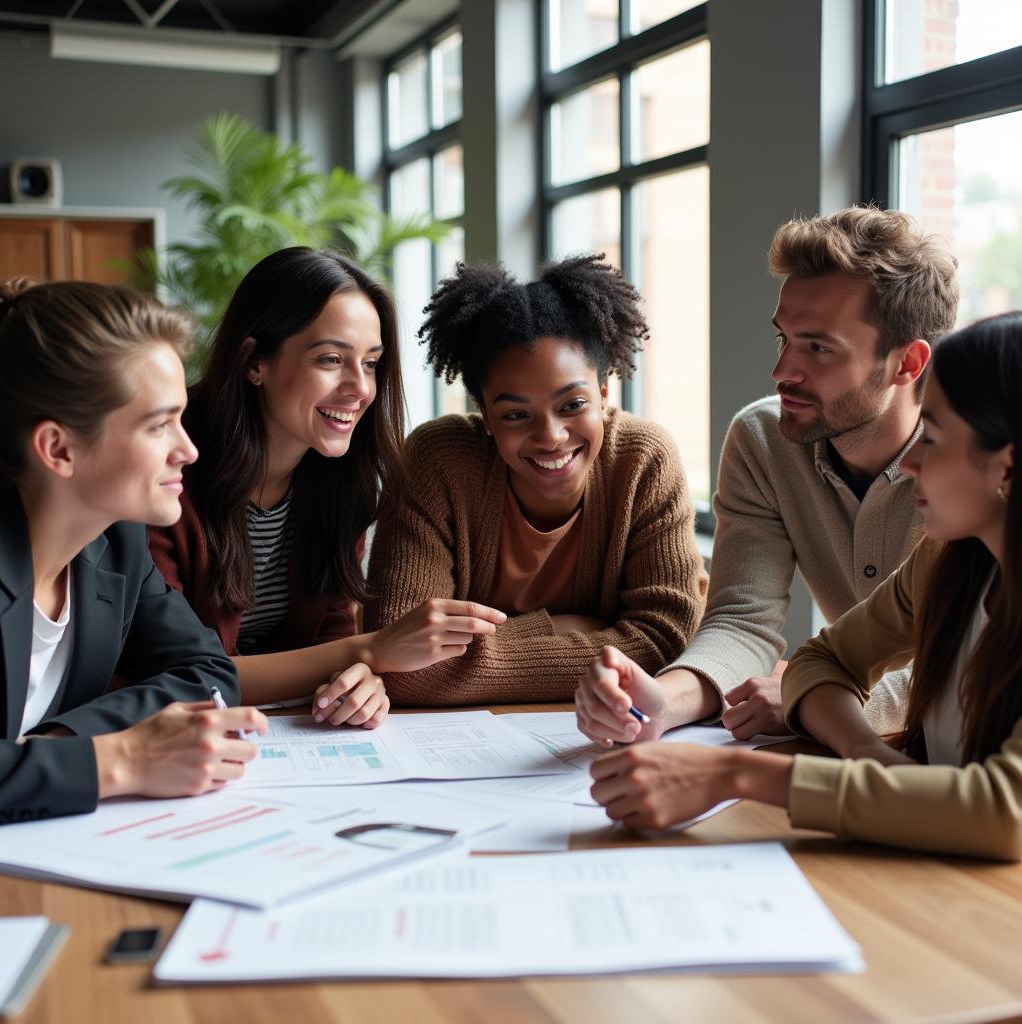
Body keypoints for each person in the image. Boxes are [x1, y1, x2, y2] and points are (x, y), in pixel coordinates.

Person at [589, 311, 1021, 861]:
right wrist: (869, 755)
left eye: (931, 437)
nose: (911, 462)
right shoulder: (947, 561)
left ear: (1005, 467)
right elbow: (823, 659)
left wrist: (738, 773)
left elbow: (1005, 812)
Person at [575, 207, 959, 747]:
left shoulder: (981, 463)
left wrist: (814, 695)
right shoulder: (764, 439)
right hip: (856, 747)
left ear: (907, 363)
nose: (782, 372)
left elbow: (984, 658)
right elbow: (742, 621)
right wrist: (662, 702)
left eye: (818, 348)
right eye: (784, 339)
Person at [149, 247, 505, 727]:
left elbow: (327, 645)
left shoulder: (339, 482)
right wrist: (368, 650)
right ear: (255, 362)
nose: (359, 388)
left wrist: (358, 681)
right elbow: (170, 674)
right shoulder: (166, 473)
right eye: (332, 359)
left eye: (372, 363)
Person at [362, 254, 706, 706]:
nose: (551, 437)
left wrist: (473, 658)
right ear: (484, 414)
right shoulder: (439, 461)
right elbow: (401, 661)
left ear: (603, 392)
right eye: (516, 415)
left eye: (572, 405)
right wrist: (556, 625)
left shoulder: (643, 462)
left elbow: (666, 644)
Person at [0, 278, 266, 825]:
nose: (187, 449)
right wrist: (120, 759)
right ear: (59, 448)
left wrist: (61, 742)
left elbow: (208, 669)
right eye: (159, 424)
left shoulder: (116, 541)